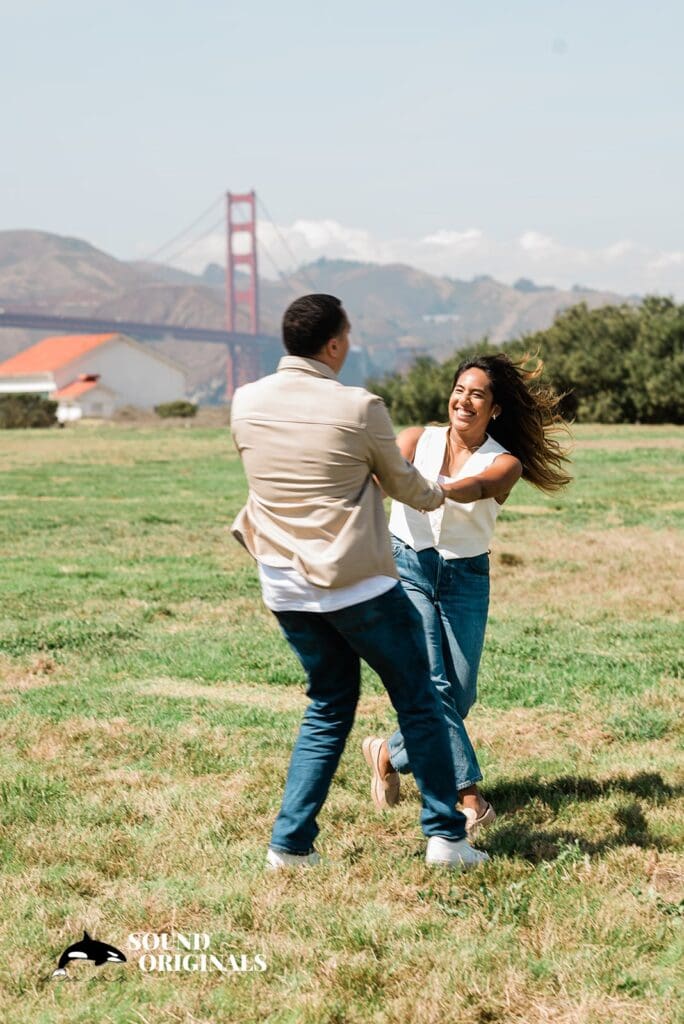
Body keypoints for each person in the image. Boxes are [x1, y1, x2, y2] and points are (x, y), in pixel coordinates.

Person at [230, 294, 490, 871]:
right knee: (420, 699)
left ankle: (290, 847)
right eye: (346, 337)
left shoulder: (244, 402)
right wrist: (441, 491)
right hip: (356, 585)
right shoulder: (359, 406)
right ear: (333, 344)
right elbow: (402, 482)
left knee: (328, 704)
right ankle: (447, 839)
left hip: (284, 586)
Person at [363, 353, 571, 836]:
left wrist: (437, 488)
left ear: (494, 408)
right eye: (460, 390)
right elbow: (376, 480)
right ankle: (468, 796)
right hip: (408, 567)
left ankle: (388, 753)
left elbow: (476, 486)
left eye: (478, 394)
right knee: (433, 683)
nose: (465, 400)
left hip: (465, 579)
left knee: (460, 693)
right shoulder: (417, 439)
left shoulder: (506, 463)